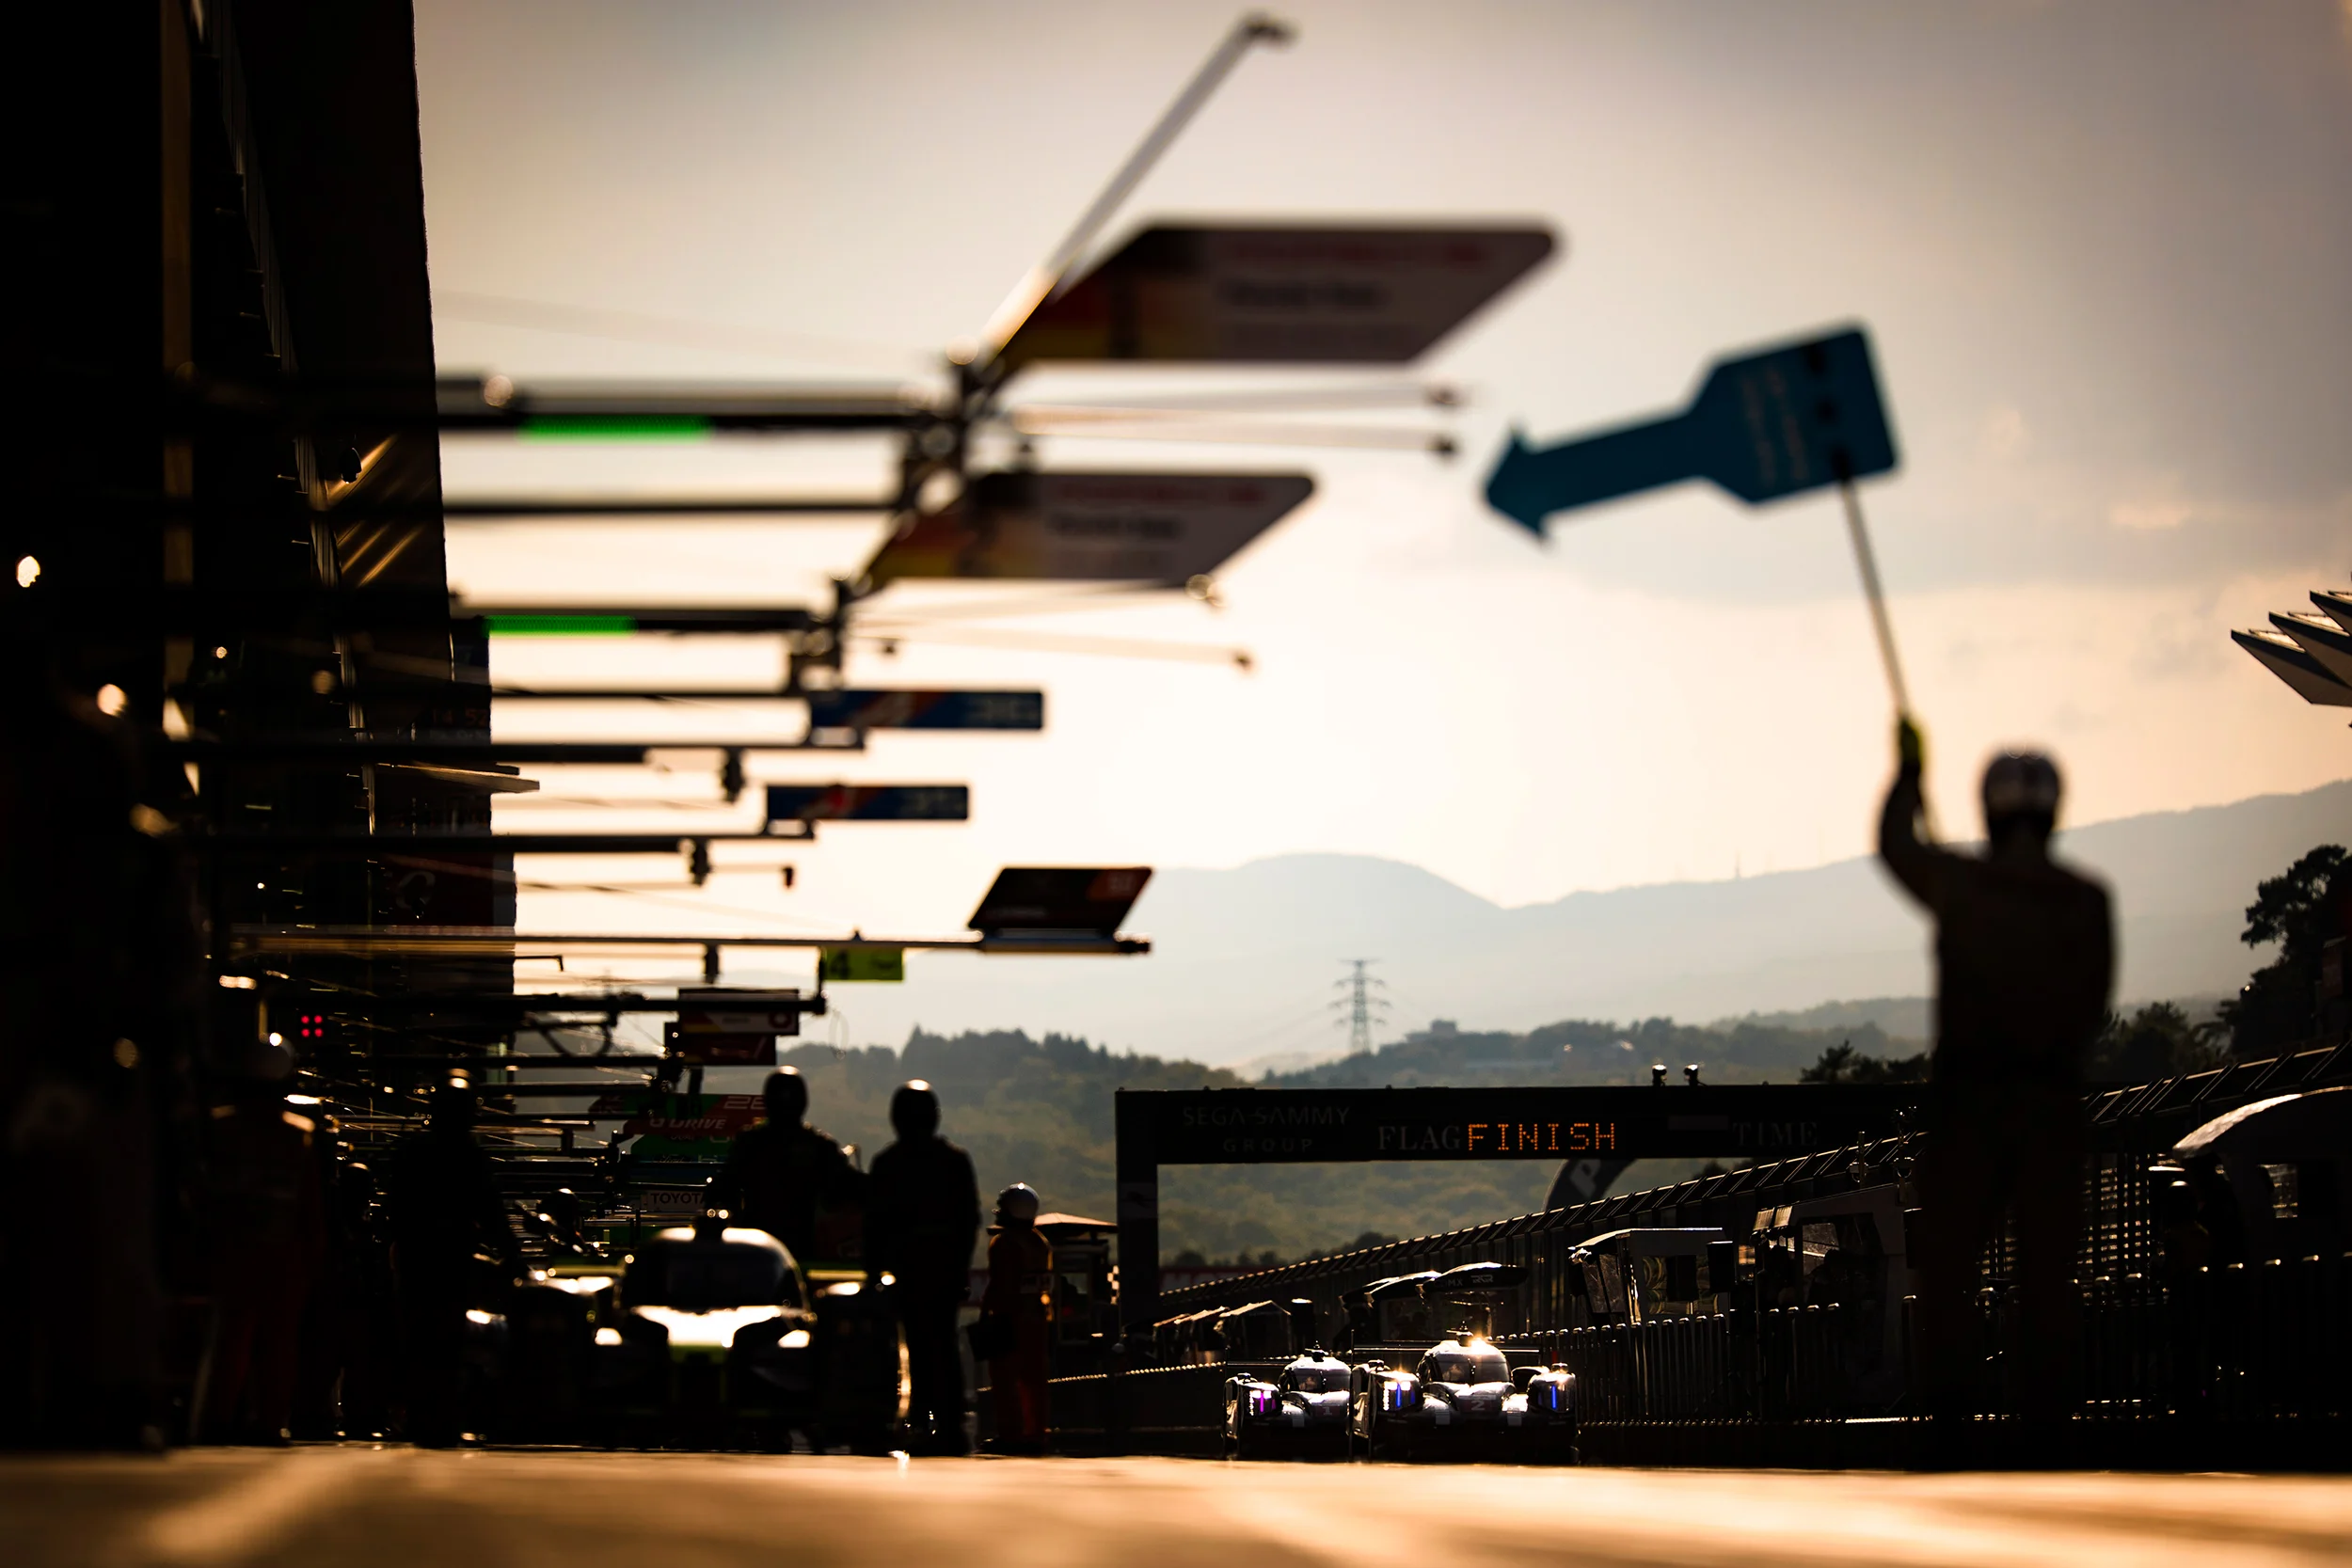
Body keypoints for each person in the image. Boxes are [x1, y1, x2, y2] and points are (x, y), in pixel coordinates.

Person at [1878, 719, 2111, 1448]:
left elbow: (1895, 846)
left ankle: (1950, 1422)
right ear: (2052, 810)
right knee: (2048, 1276)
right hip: (2050, 1106)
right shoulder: (2084, 899)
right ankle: (2047, 1423)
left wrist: (1907, 778)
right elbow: (2092, 1004)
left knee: (1949, 1272)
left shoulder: (1960, 884)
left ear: (1988, 809)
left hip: (1967, 1107)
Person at [379, 1085, 520, 1446]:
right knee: (446, 1342)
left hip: (416, 1260)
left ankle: (418, 1419)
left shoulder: (411, 1152)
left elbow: (393, 1207)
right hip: (451, 1263)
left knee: (415, 1339)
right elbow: (491, 1210)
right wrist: (513, 1256)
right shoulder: (470, 1156)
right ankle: (440, 1421)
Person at [200, 1052, 326, 1444]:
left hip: (234, 1248)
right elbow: (311, 1207)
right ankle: (267, 1421)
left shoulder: (220, 1128)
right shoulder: (298, 1134)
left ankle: (219, 1419)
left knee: (232, 1339)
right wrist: (313, 1258)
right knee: (276, 1342)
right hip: (279, 1252)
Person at [865, 1079, 980, 1454]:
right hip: (940, 1272)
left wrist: (873, 1275)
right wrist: (960, 1268)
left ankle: (913, 1421)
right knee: (941, 1348)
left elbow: (874, 1226)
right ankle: (949, 1426)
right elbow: (968, 1222)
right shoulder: (954, 1161)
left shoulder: (888, 1163)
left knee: (909, 1348)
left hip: (907, 1273)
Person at [707, 1068, 852, 1264]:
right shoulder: (820, 1146)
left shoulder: (750, 1143)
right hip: (800, 1247)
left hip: (756, 1248)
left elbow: (721, 1189)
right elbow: (846, 1192)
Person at [979, 1182, 1053, 1455]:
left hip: (1009, 1318)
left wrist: (986, 1312)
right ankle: (1035, 1433)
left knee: (1005, 1380)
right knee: (1035, 1379)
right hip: (1036, 1317)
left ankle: (1011, 1434)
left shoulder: (1004, 1242)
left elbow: (999, 1283)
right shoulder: (1039, 1242)